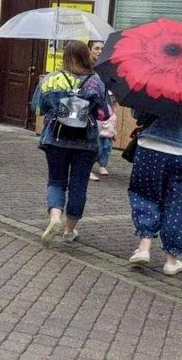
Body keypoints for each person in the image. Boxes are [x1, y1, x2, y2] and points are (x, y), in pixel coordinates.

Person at [33, 41, 111, 244]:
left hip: (56, 138)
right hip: (85, 142)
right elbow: (104, 114)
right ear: (86, 55)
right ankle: (69, 230)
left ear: (65, 56)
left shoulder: (52, 79)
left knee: (56, 181)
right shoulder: (95, 81)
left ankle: (55, 218)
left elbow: (38, 107)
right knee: (79, 185)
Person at [128, 111, 182, 275]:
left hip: (151, 145)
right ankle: (171, 260)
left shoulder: (155, 84)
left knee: (145, 195)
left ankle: (144, 248)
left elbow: (138, 113)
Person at [88, 40, 114, 180]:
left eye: (102, 49)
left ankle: (102, 163)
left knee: (107, 136)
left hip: (106, 103)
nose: (99, 51)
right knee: (94, 136)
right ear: (89, 50)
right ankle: (89, 166)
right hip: (93, 105)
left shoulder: (105, 66)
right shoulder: (87, 67)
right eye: (96, 48)